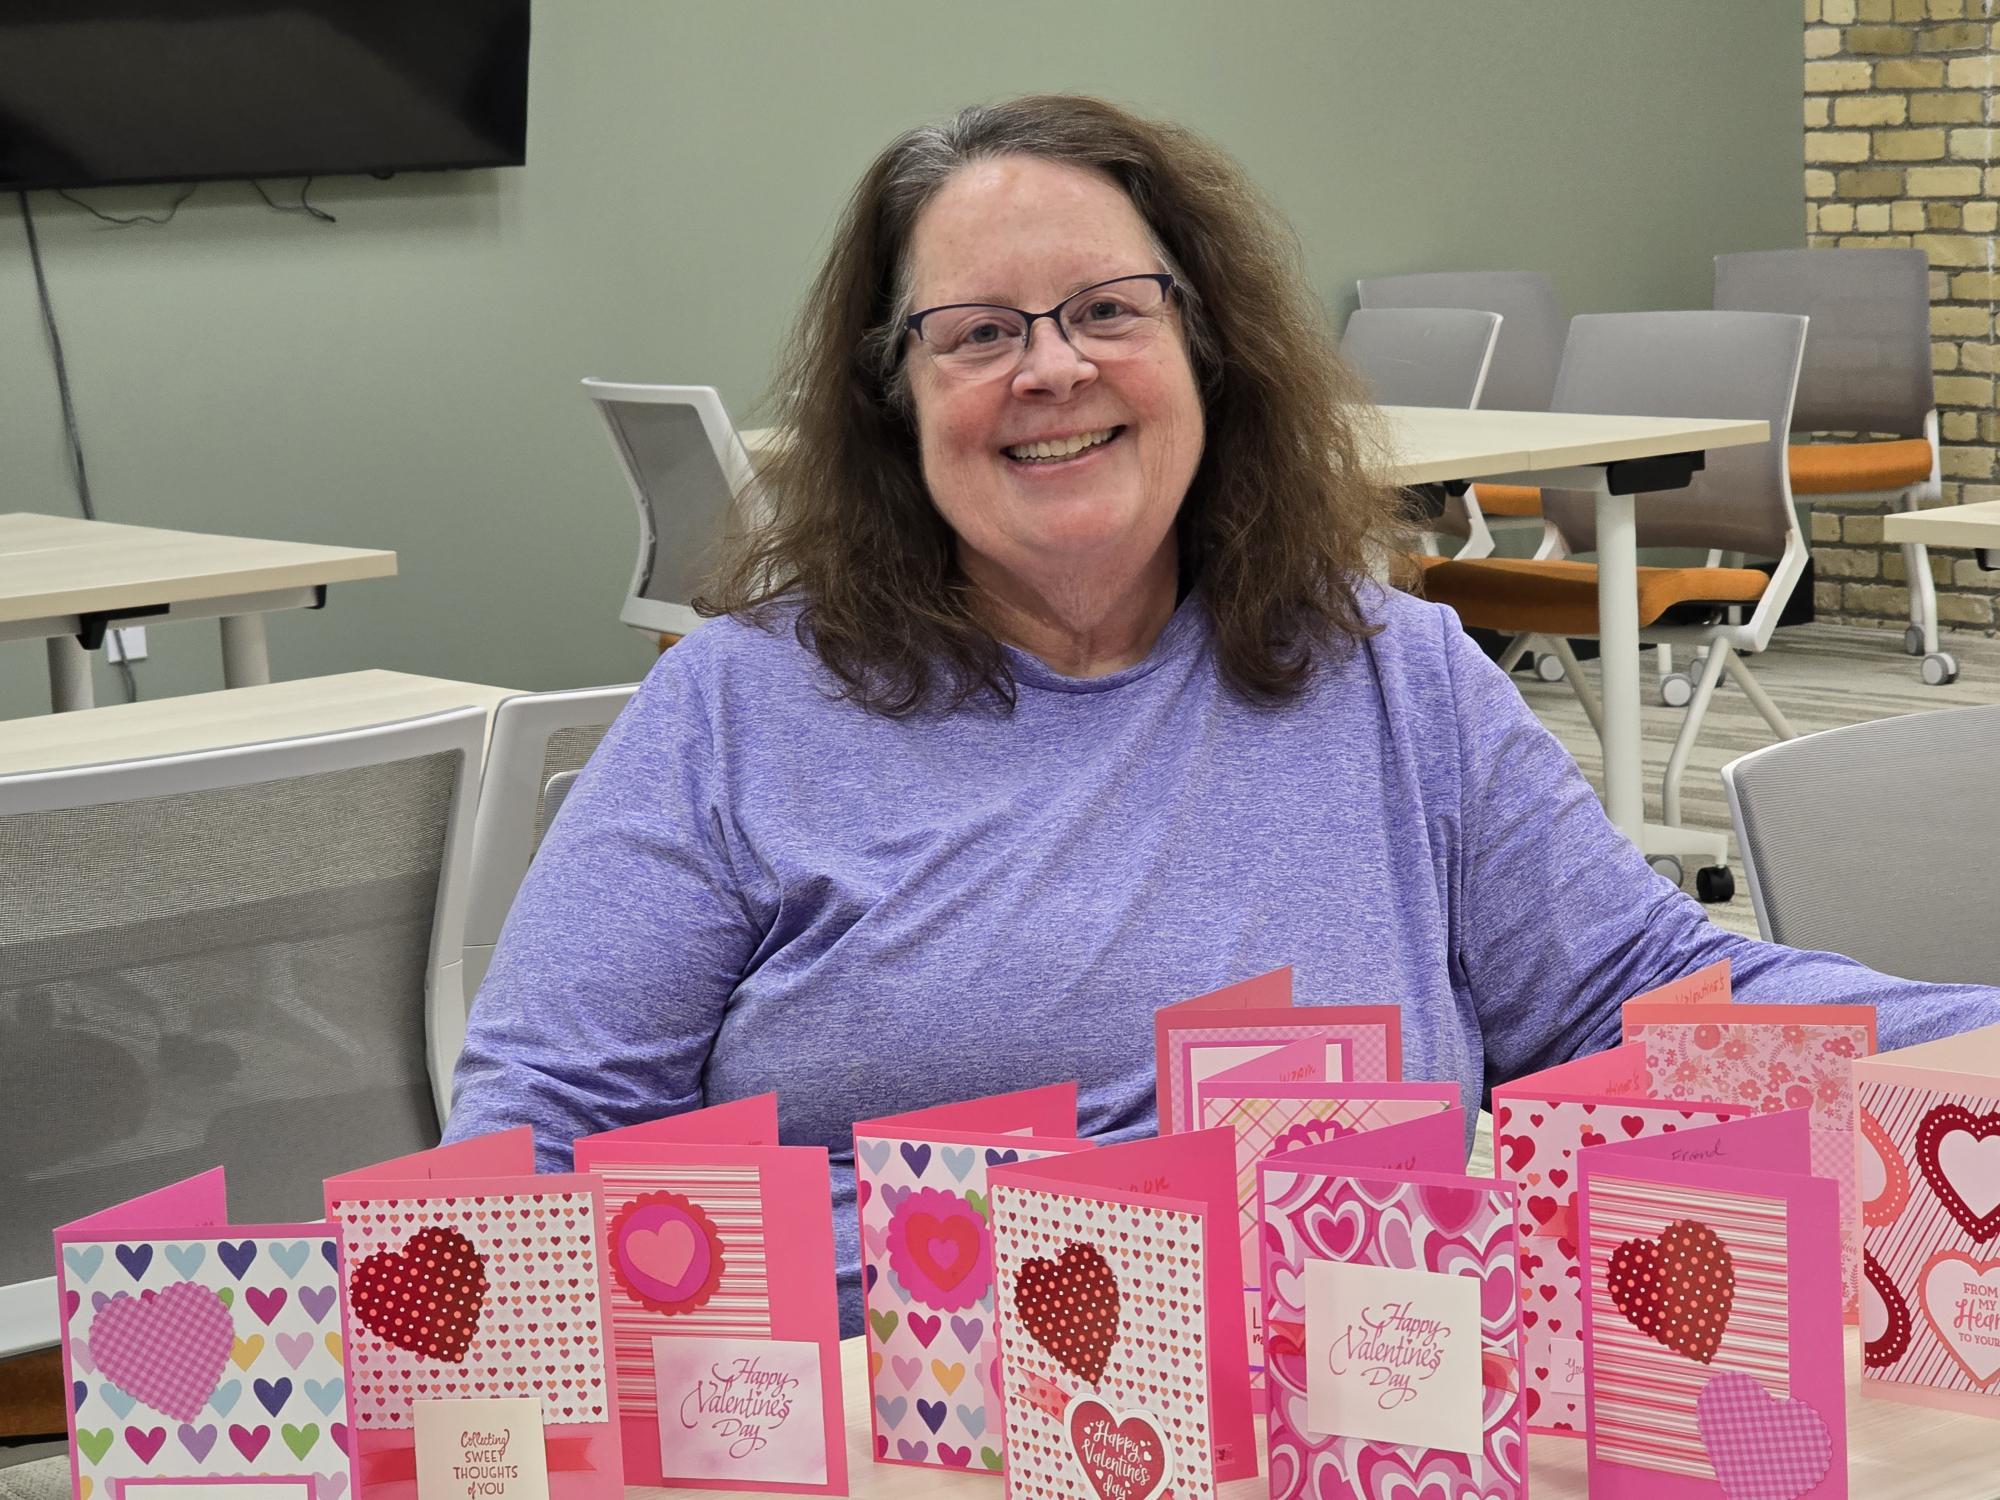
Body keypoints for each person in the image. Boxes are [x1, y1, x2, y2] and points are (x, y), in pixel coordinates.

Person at [445, 94, 2000, 1334]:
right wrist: (990, 1292)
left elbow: (1648, 995)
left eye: (1107, 309)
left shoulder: (1397, 676)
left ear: (1206, 345)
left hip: (1355, 1413)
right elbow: (530, 1155)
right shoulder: (734, 713)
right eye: (979, 333)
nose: (1051, 369)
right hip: (899, 1436)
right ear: (896, 403)